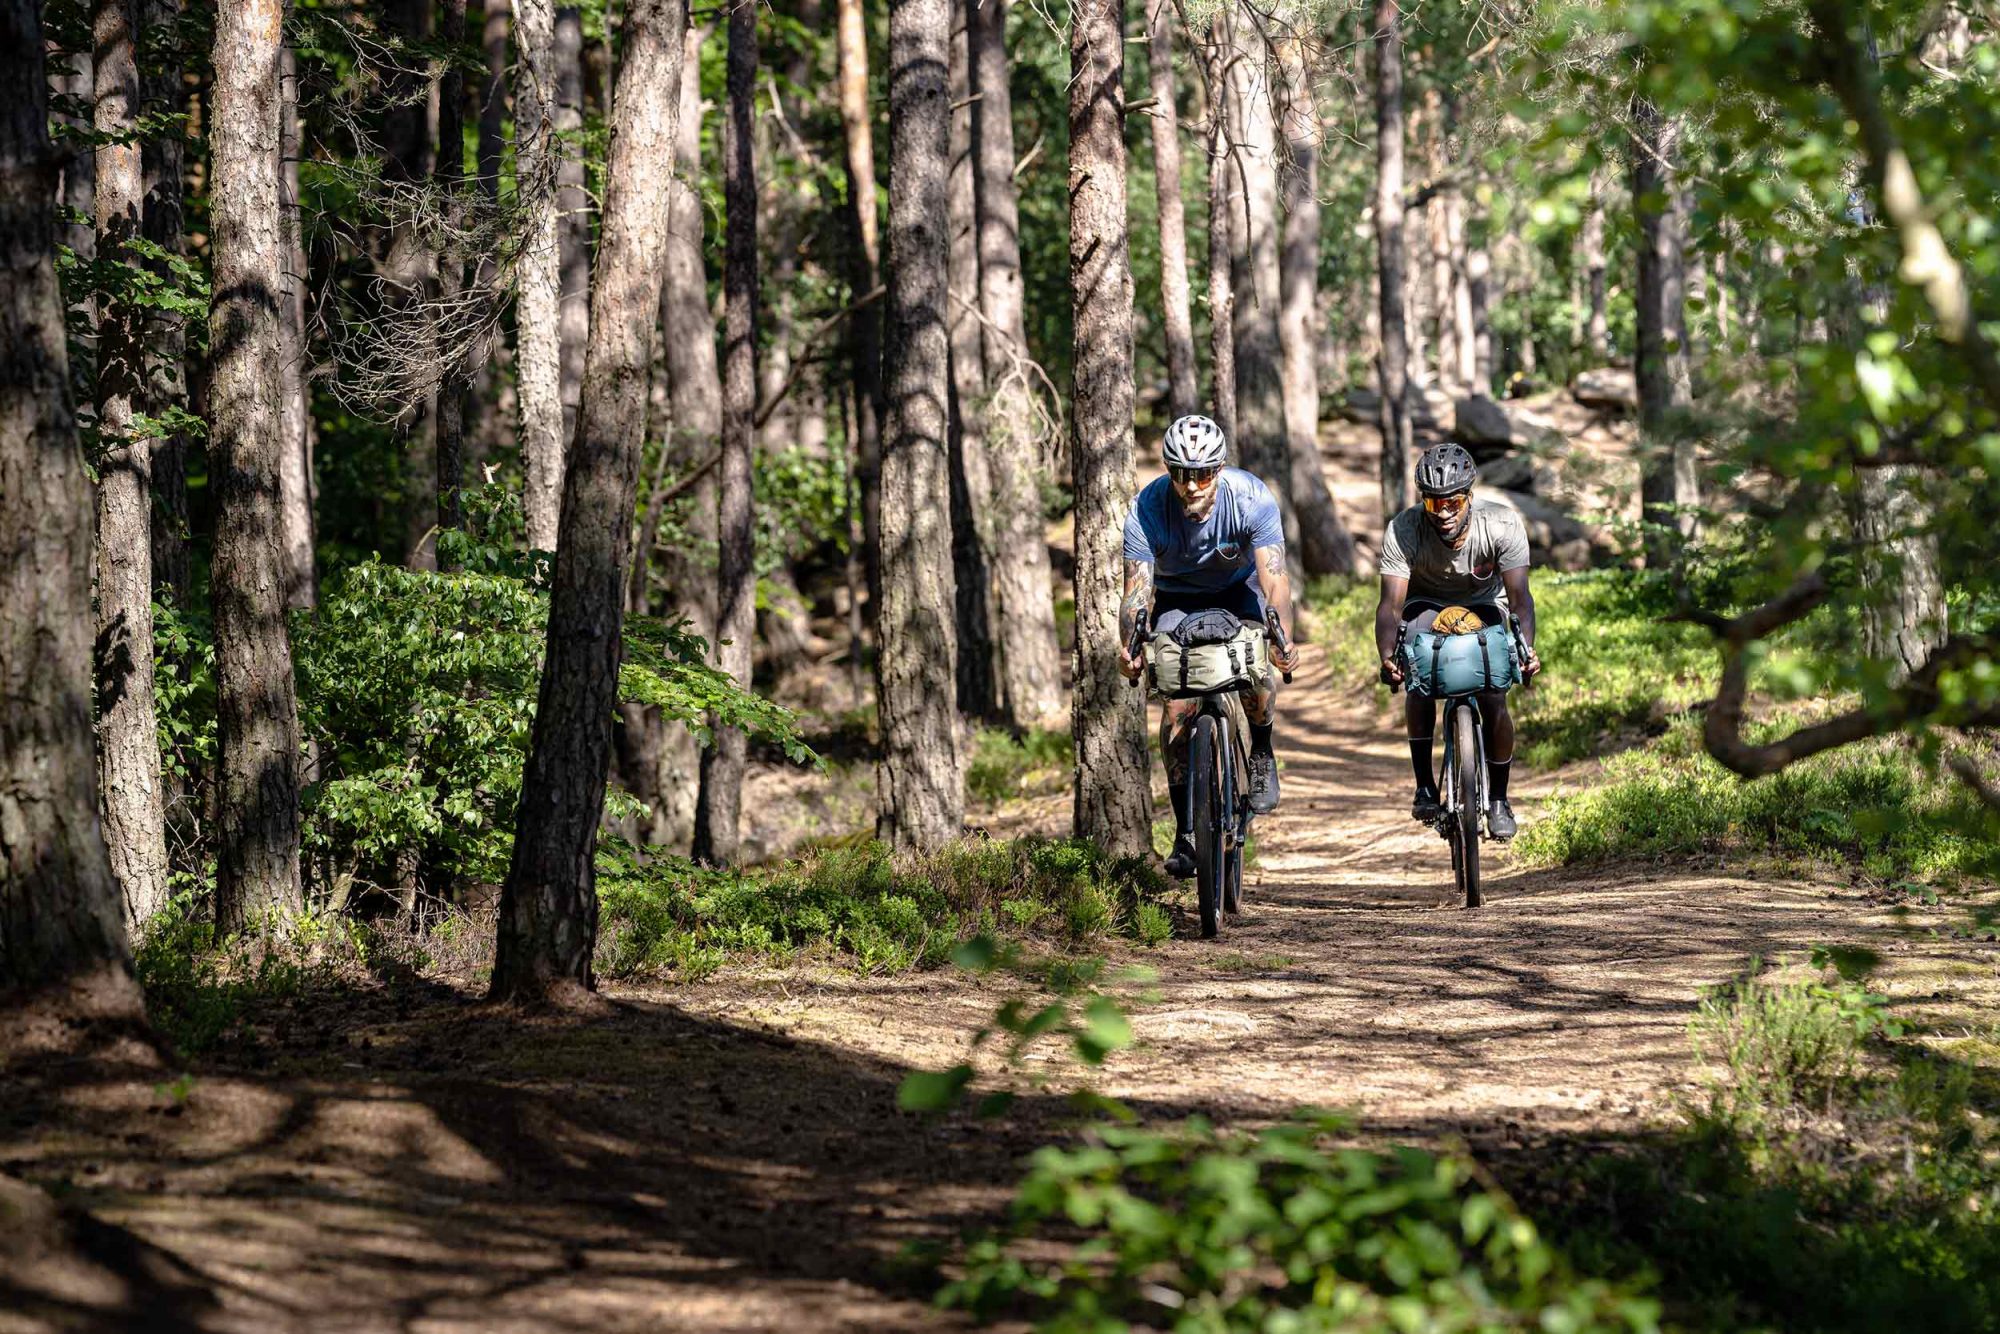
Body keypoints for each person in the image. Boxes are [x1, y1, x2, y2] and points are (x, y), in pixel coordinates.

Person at [1116, 414, 1300, 879]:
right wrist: (1130, 647)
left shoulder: (1251, 498)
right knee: (1176, 708)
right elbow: (1136, 594)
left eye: (1202, 474)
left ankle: (1260, 749)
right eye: (1181, 473)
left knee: (1255, 669)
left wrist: (1282, 638)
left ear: (1218, 470)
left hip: (1238, 591)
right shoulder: (1147, 509)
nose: (1192, 485)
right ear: (1168, 471)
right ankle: (1186, 832)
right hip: (1178, 599)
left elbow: (1275, 580)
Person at [1374, 443, 1542, 839]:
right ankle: (1424, 786)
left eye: (1452, 502)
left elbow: (1521, 600)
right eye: (1435, 505)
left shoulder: (1501, 524)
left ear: (1469, 497)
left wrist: (1525, 648)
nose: (1445, 513)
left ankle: (1498, 798)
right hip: (1425, 604)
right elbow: (1390, 606)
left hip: (1485, 604)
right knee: (1418, 679)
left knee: (1493, 695)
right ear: (1423, 503)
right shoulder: (1404, 528)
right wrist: (1388, 655)